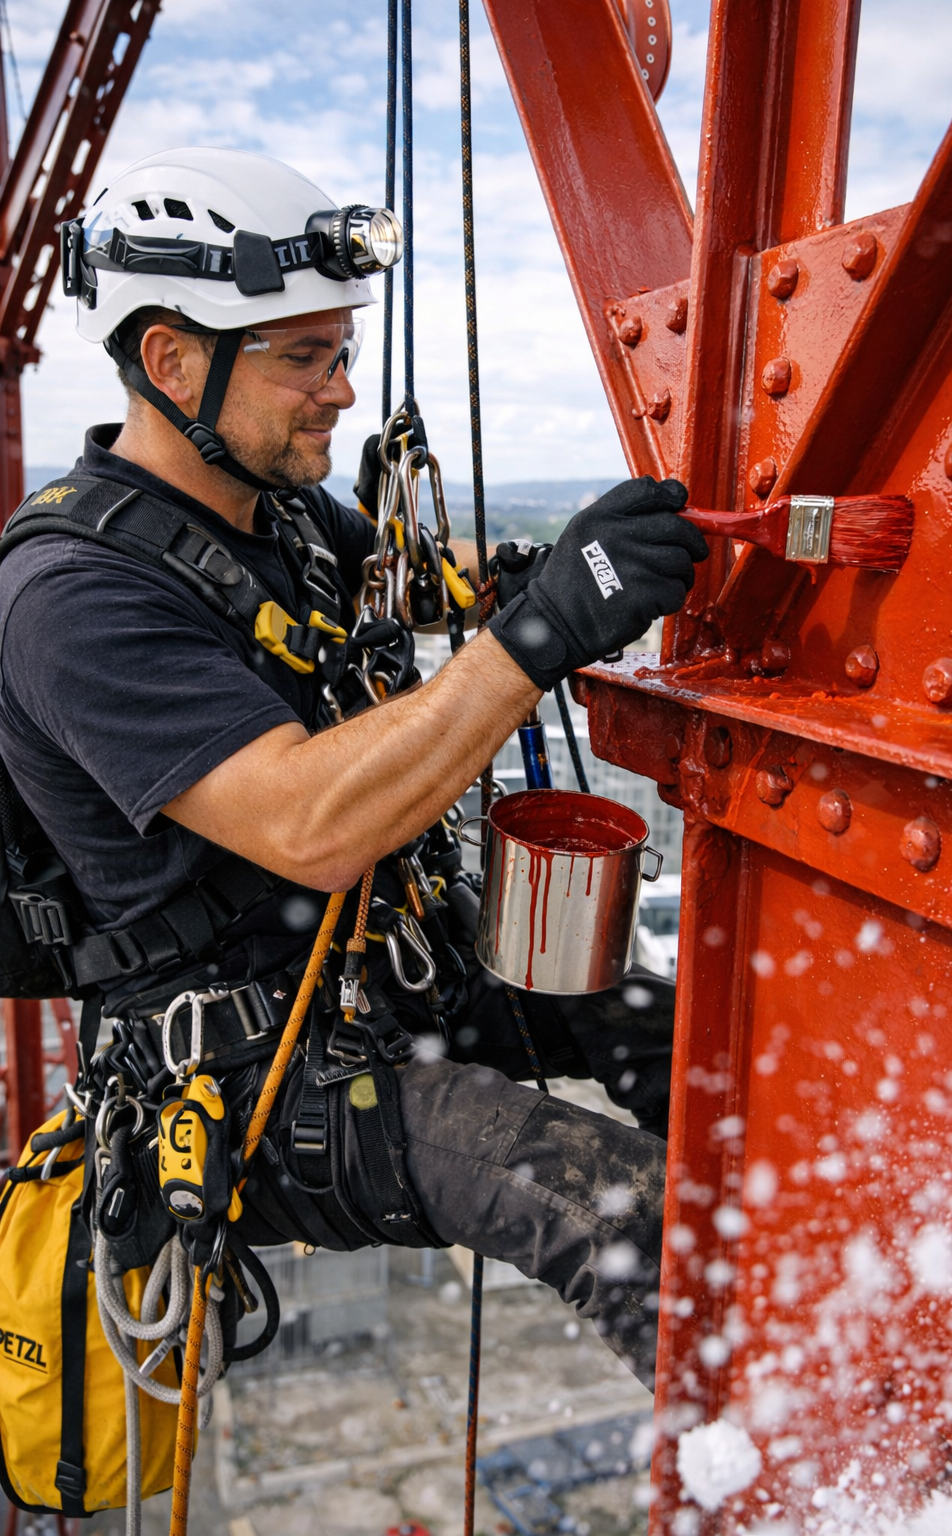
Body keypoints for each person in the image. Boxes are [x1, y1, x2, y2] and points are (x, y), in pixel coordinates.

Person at [0, 148, 708, 1386]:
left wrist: (558, 574)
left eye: (341, 349)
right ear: (171, 363)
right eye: (302, 358)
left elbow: (415, 578)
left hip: (382, 979)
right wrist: (539, 632)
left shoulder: (278, 517)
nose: (339, 389)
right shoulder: (72, 596)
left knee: (700, 1040)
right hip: (252, 1081)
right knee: (629, 1219)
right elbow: (308, 822)